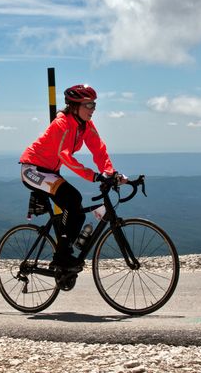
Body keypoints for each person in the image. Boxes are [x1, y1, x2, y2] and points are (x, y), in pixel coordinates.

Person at [19, 84, 126, 271]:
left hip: (49, 172)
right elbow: (65, 156)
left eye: (94, 104)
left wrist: (110, 173)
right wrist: (93, 176)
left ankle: (66, 250)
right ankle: (61, 257)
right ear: (75, 106)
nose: (93, 109)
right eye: (89, 105)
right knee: (72, 198)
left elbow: (99, 150)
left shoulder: (85, 125)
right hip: (32, 170)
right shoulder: (62, 124)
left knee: (75, 209)